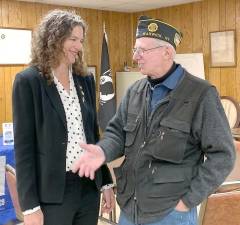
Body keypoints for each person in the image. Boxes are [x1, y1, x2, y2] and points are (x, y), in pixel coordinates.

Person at [72, 15, 236, 225]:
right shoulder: (135, 92)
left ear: (167, 52)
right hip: (130, 208)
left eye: (142, 50)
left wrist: (189, 200)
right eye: (135, 50)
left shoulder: (201, 95)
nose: (135, 56)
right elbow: (116, 133)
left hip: (171, 213)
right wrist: (103, 150)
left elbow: (223, 155)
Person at [12, 9, 115, 225]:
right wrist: (30, 207)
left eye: (81, 40)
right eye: (73, 39)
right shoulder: (28, 81)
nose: (79, 46)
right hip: (52, 192)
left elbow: (93, 135)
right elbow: (24, 149)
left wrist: (105, 183)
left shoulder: (84, 79)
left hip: (88, 186)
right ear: (53, 38)